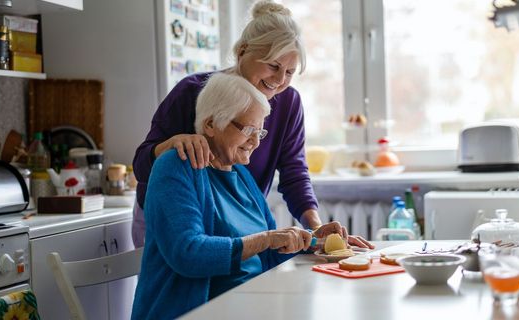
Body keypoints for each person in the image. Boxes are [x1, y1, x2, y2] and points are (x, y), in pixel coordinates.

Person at [132, 0, 373, 249]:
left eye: (290, 72)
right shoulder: (192, 92)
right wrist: (170, 144)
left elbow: (294, 173)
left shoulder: (288, 102)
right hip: (172, 222)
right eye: (273, 66)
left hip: (232, 224)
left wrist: (314, 228)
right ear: (242, 51)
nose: (280, 80)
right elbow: (141, 166)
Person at [132, 73, 314, 319]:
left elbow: (269, 254)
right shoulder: (177, 166)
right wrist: (267, 239)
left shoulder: (242, 176)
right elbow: (188, 252)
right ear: (210, 124)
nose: (254, 142)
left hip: (250, 307)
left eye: (259, 133)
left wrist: (314, 241)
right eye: (247, 129)